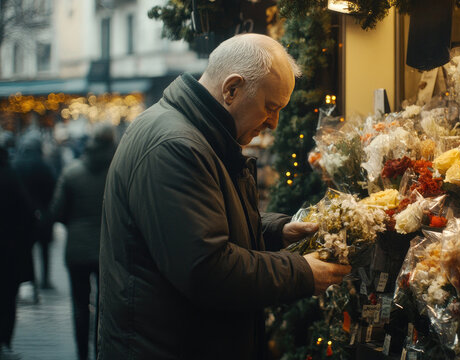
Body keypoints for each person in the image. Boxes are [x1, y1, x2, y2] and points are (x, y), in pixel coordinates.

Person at [98, 33, 351, 359]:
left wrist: (274, 232)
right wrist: (301, 272)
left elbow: (201, 230)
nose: (273, 122)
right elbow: (206, 269)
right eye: (270, 107)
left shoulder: (195, 134)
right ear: (231, 89)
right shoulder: (177, 147)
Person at [50, 124, 116, 360]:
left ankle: (81, 353)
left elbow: (57, 212)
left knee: (79, 304)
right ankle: (101, 350)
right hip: (107, 249)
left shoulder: (72, 172)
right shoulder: (118, 171)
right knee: (104, 304)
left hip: (76, 249)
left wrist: (74, 224)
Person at [11, 131, 56, 294]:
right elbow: (53, 188)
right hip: (43, 213)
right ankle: (46, 279)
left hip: (22, 216)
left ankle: (31, 280)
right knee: (45, 249)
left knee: (26, 250)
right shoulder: (44, 165)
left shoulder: (15, 164)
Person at [0, 142, 31, 360]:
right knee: (8, 297)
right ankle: (5, 341)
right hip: (8, 249)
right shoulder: (11, 175)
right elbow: (26, 210)